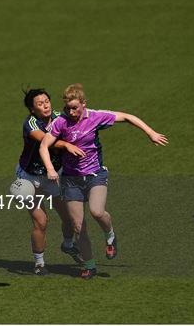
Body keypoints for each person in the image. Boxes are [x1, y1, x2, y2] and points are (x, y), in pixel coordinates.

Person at [39, 83, 168, 279]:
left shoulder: (96, 116)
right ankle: (89, 265)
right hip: (71, 180)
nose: (71, 112)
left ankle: (110, 235)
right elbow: (43, 146)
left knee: (97, 211)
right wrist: (50, 168)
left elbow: (127, 117)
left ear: (84, 104)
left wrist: (150, 133)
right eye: (67, 108)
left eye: (74, 107)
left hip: (95, 175)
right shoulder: (61, 122)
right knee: (78, 226)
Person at [17, 88, 91, 275]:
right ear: (32, 110)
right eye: (40, 103)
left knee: (68, 218)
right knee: (41, 221)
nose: (45, 105)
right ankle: (39, 263)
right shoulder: (31, 124)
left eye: (47, 101)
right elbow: (46, 141)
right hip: (29, 177)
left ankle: (67, 245)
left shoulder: (61, 117)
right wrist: (66, 144)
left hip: (53, 176)